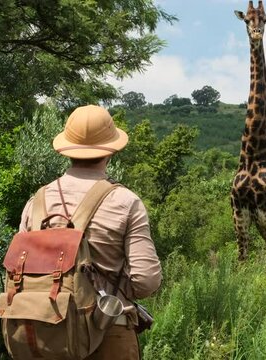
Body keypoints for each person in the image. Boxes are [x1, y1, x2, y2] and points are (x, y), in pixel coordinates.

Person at [18, 105, 162, 360]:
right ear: (111, 150)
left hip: (45, 335)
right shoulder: (126, 201)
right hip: (108, 332)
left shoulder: (35, 203)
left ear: (67, 150)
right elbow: (146, 282)